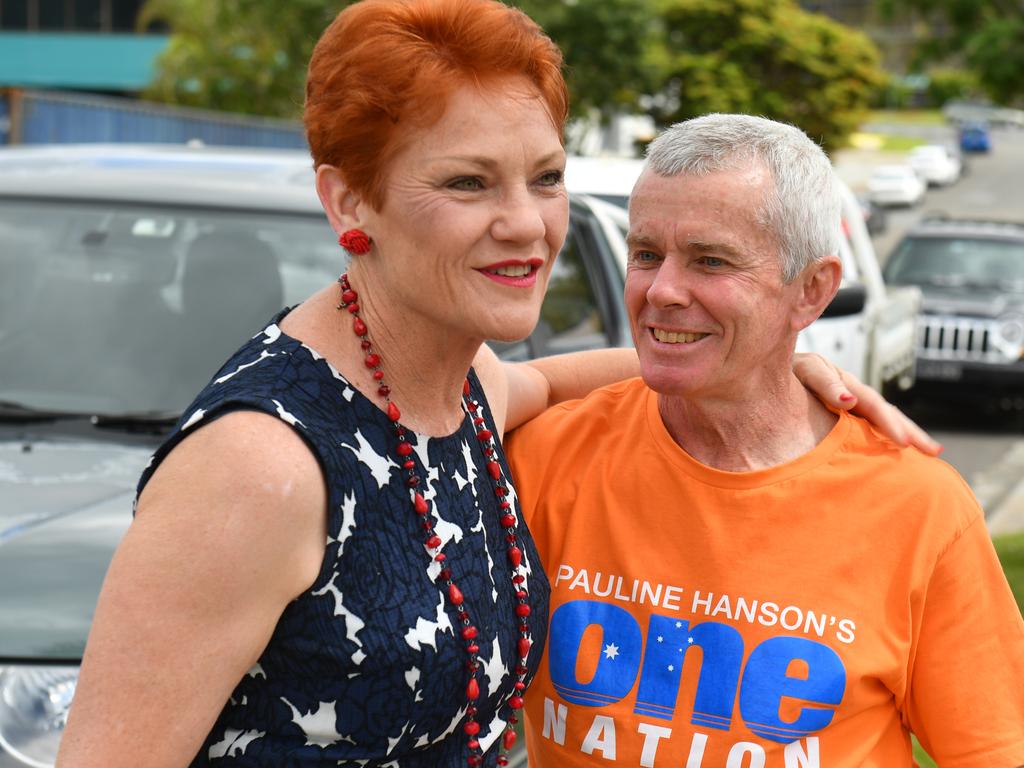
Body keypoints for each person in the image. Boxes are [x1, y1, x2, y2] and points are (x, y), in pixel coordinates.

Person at [56, 4, 937, 767]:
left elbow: (549, 381)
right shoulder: (260, 466)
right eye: (468, 183)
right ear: (348, 201)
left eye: (545, 177)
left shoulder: (458, 382)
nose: (525, 224)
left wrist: (769, 364)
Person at [506, 113, 1024, 768]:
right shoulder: (543, 457)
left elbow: (993, 751)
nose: (662, 290)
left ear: (811, 291)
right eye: (645, 254)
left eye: (711, 261)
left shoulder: (919, 510)